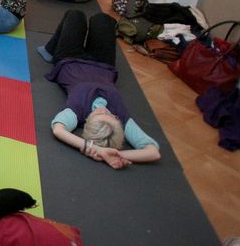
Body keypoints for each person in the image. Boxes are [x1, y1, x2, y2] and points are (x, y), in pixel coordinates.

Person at [37, 10, 161, 168]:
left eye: (99, 115)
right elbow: (153, 152)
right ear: (117, 120)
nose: (104, 111)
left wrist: (95, 150)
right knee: (103, 20)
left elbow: (58, 130)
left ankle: (50, 50)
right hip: (104, 64)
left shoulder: (77, 111)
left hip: (70, 60)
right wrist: (115, 154)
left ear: (87, 120)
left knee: (75, 16)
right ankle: (52, 48)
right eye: (110, 116)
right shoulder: (121, 116)